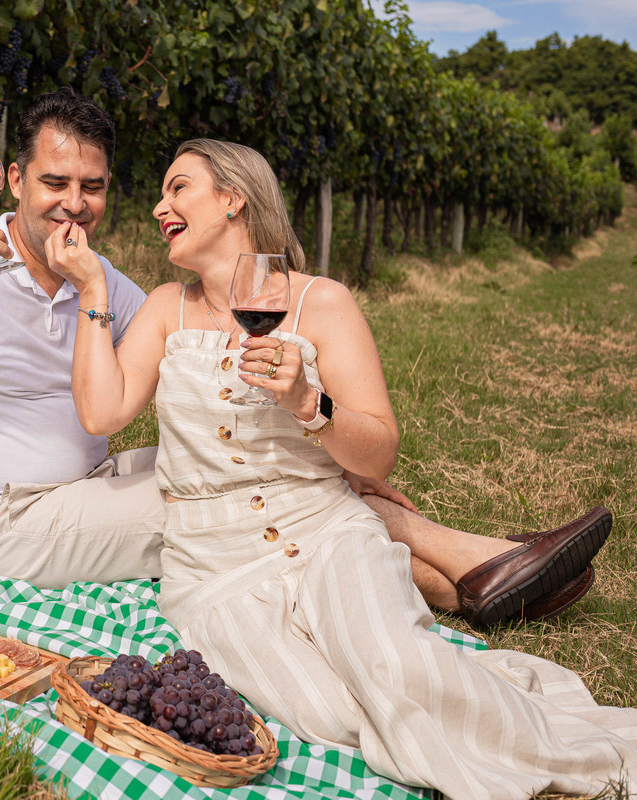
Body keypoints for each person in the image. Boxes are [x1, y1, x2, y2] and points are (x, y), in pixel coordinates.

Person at [0, 88, 609, 626]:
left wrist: (338, 454)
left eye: (92, 186)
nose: (74, 202)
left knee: (269, 463)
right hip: (3, 521)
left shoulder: (107, 283)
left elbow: (177, 372)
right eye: (54, 182)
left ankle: (465, 586)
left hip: (93, 484)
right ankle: (477, 565)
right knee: (239, 495)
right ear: (12, 181)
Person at [47, 137, 630, 799]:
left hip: (323, 532)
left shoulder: (321, 302)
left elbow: (378, 453)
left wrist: (310, 404)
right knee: (327, 714)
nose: (159, 207)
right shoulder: (164, 308)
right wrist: (91, 287)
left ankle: (579, 756)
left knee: (398, 671)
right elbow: (100, 412)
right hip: (212, 568)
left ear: (234, 198)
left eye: (178, 187)